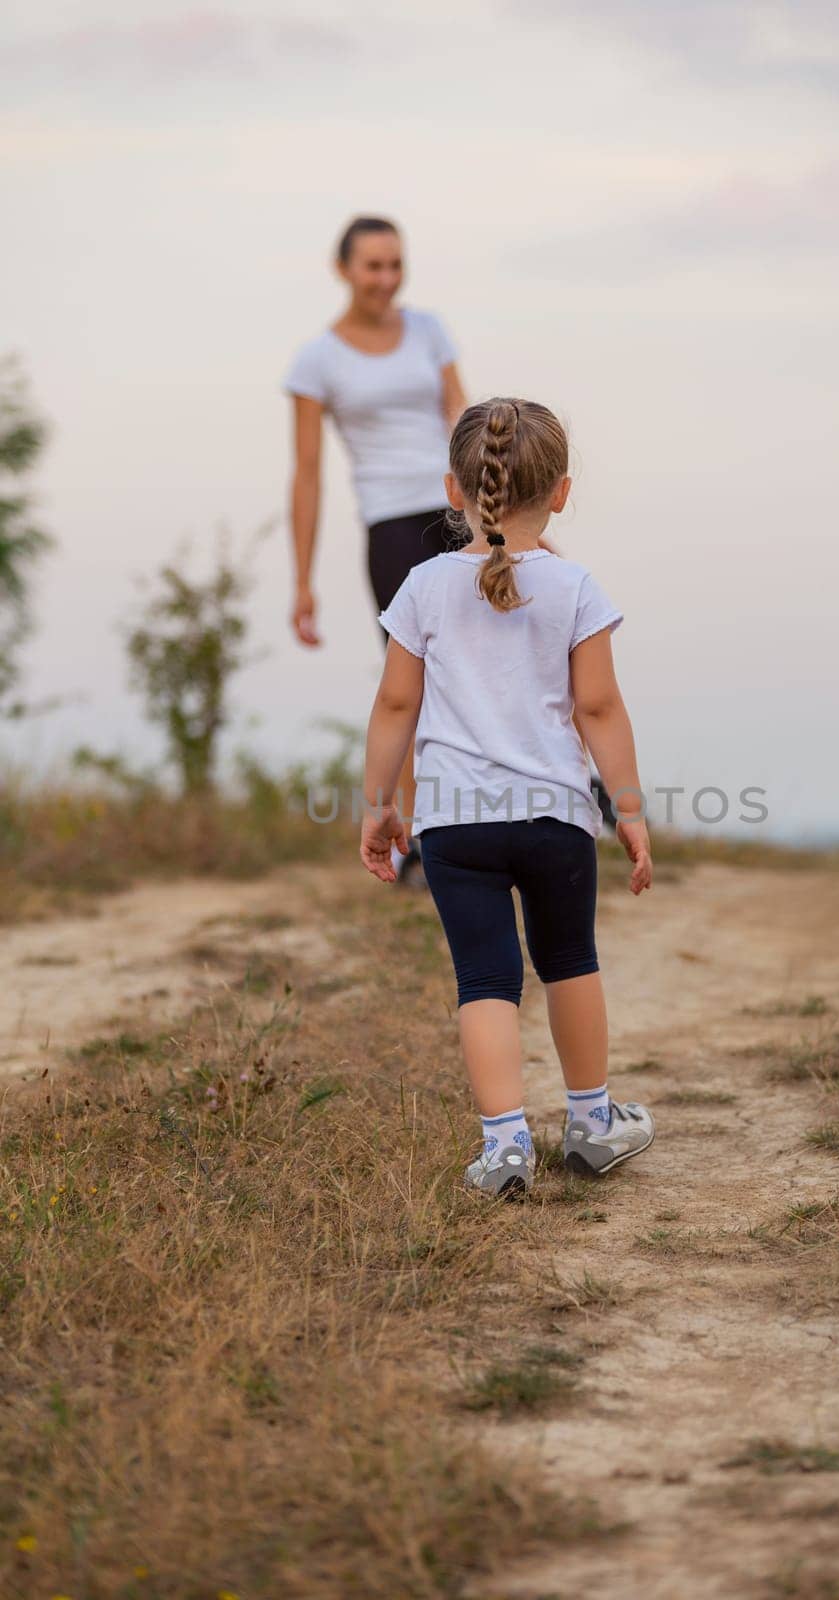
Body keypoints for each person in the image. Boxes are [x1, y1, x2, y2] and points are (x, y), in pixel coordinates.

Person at [357, 397, 655, 1198]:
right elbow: (597, 708)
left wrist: (380, 805)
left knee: (484, 981)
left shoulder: (421, 587)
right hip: (555, 816)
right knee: (568, 962)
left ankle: (504, 1148)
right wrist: (626, 809)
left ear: (454, 490)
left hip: (454, 824)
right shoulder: (574, 587)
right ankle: (591, 1124)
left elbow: (394, 706)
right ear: (559, 492)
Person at [282, 214, 471, 883]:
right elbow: (307, 473)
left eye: (396, 265)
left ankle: (559, 800)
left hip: (456, 509)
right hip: (389, 524)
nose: (386, 279)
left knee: (506, 650)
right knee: (410, 684)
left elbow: (464, 419)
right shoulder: (317, 360)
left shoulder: (428, 329)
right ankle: (423, 844)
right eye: (373, 267)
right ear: (344, 270)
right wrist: (302, 580)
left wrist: (502, 513)